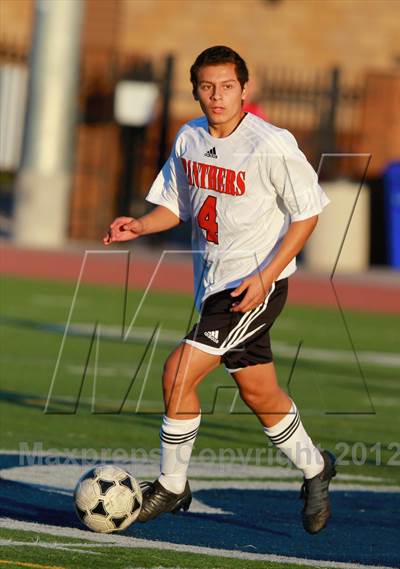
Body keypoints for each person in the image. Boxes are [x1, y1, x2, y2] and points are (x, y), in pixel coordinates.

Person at [104, 45, 336, 534]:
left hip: (253, 287)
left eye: (227, 86)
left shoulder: (270, 142)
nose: (217, 96)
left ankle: (171, 485)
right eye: (207, 87)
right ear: (196, 91)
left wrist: (267, 275)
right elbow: (177, 205)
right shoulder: (189, 137)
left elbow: (308, 212)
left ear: (245, 90)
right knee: (260, 393)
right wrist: (140, 227)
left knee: (177, 371)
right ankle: (317, 468)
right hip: (213, 286)